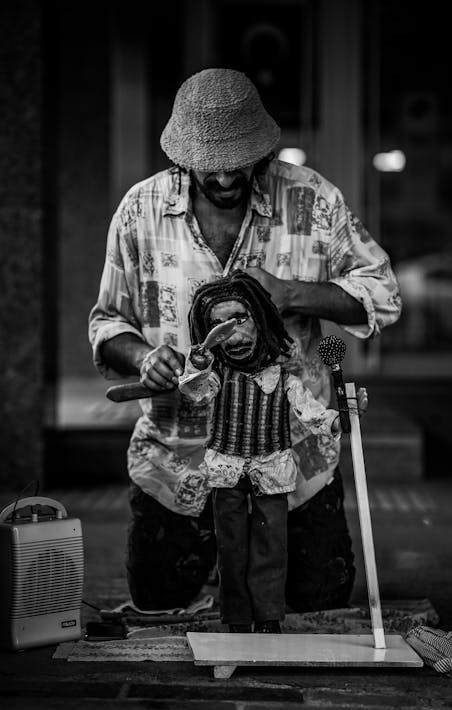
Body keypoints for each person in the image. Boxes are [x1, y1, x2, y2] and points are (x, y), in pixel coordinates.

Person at [89, 67, 401, 615]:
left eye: (241, 163)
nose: (228, 178)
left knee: (319, 601)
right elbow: (107, 323)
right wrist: (144, 358)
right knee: (157, 599)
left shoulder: (311, 198)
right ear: (183, 154)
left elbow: (383, 295)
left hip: (293, 458)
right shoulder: (140, 210)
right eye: (212, 167)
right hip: (177, 459)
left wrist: (291, 293)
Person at [177, 270, 368, 633]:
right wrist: (198, 364)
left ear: (262, 320)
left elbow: (312, 413)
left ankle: (267, 617)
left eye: (239, 318)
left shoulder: (284, 379)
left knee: (271, 544)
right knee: (230, 547)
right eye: (219, 324)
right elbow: (195, 392)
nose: (231, 332)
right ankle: (235, 618)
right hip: (226, 468)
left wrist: (337, 419)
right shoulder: (218, 376)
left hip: (273, 467)